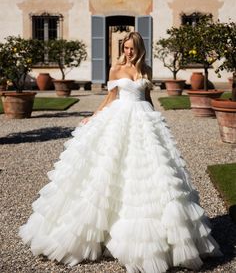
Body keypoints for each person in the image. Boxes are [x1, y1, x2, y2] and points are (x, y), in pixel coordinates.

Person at [19, 32, 221, 273]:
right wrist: (93, 117)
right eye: (125, 48)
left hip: (144, 120)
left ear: (140, 48)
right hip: (120, 118)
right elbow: (110, 97)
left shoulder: (146, 70)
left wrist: (157, 121)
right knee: (109, 169)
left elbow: (147, 97)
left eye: (132, 48)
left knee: (153, 173)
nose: (128, 52)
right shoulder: (115, 69)